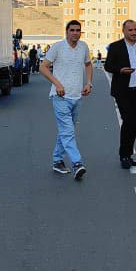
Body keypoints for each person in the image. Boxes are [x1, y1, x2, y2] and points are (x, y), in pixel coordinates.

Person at [41, 19, 93, 180]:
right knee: (67, 131)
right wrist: (57, 84)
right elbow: (43, 67)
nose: (75, 33)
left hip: (77, 96)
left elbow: (89, 64)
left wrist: (88, 83)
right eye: (72, 30)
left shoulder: (83, 47)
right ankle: (77, 163)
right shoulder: (58, 47)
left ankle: (57, 160)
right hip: (60, 97)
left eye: (78, 30)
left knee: (66, 132)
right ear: (67, 31)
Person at [104, 19, 136, 169]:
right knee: (128, 121)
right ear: (124, 31)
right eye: (130, 30)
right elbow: (108, 65)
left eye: (135, 30)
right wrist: (120, 70)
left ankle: (128, 155)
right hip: (123, 90)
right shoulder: (115, 47)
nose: (134, 33)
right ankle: (124, 155)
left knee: (134, 124)